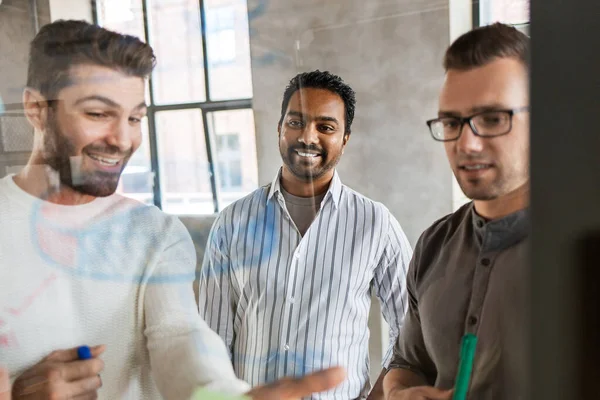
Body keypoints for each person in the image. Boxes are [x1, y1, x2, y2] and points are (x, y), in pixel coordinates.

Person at [0, 20, 344, 400]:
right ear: (35, 108)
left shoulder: (154, 233)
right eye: (98, 114)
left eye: (134, 118)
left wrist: (222, 395)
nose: (123, 139)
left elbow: (178, 334)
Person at [198, 70, 412, 399]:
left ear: (345, 138)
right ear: (279, 129)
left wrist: (380, 395)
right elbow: (212, 337)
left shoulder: (375, 223)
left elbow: (412, 328)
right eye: (296, 122)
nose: (308, 137)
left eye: (325, 127)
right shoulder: (233, 221)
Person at [382, 23, 530, 400]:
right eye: (451, 122)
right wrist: (402, 393)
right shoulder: (435, 242)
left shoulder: (582, 249)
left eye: (493, 119)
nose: (467, 143)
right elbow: (408, 363)